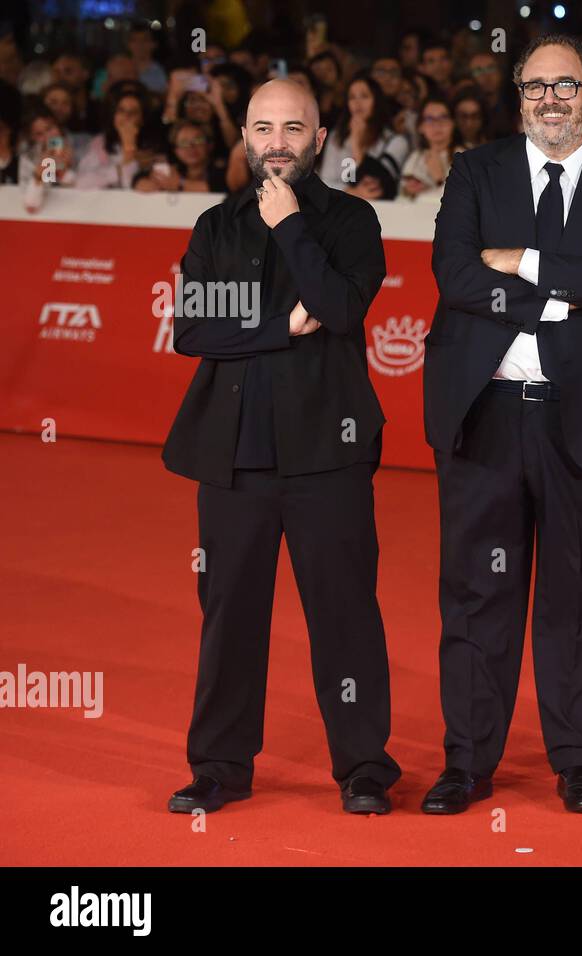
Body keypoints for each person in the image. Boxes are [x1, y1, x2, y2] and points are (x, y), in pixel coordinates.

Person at [422, 33, 582, 816]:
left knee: (579, 596)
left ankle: (578, 759)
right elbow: (456, 276)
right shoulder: (474, 170)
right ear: (518, 96)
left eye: (566, 85)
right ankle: (466, 762)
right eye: (534, 86)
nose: (549, 99)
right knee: (476, 594)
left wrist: (518, 261)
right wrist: (568, 289)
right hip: (484, 415)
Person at [161, 79, 400, 816]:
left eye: (292, 128)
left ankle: (363, 765)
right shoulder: (215, 225)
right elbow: (193, 332)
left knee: (345, 614)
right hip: (233, 458)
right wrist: (275, 328)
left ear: (320, 139)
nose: (276, 142)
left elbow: (337, 307)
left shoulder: (351, 222)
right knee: (229, 614)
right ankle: (221, 767)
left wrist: (292, 225)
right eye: (263, 127)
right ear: (243, 134)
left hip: (330, 453)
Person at [317, 74, 409, 199]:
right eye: (352, 97)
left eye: (364, 96)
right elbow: (325, 180)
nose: (357, 103)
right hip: (342, 207)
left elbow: (381, 185)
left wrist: (357, 146)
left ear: (377, 101)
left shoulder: (396, 141)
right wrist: (352, 192)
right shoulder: (336, 137)